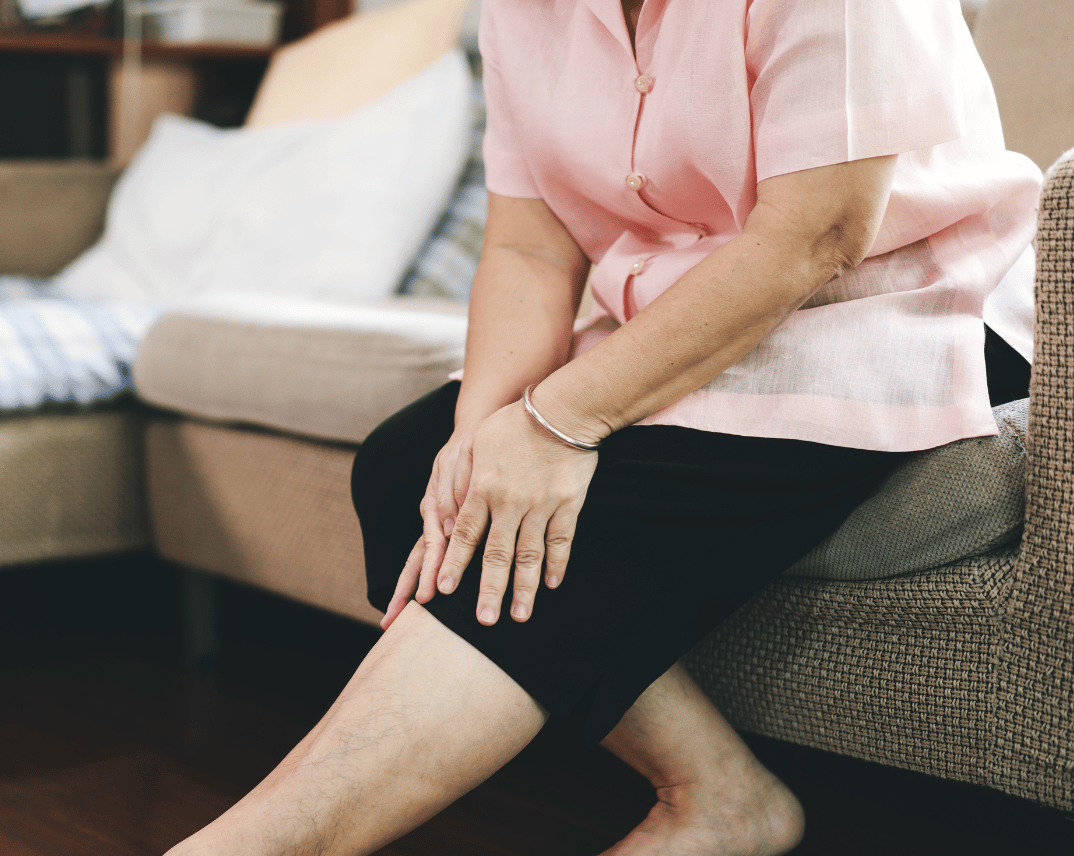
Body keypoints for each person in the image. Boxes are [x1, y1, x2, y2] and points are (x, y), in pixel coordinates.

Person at [166, 0, 1040, 854]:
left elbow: (817, 236)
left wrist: (559, 423)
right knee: (413, 470)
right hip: (695, 322)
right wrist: (485, 441)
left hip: (899, 313)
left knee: (572, 512)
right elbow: (529, 248)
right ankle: (722, 795)